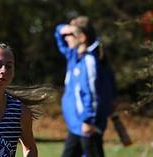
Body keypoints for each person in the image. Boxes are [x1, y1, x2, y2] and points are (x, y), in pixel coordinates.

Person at [54, 16, 115, 157]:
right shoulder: (73, 55)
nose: (66, 37)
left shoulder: (89, 61)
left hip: (87, 125)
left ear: (81, 38)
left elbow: (92, 93)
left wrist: (88, 120)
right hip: (76, 125)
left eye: (70, 34)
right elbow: (58, 34)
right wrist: (66, 28)